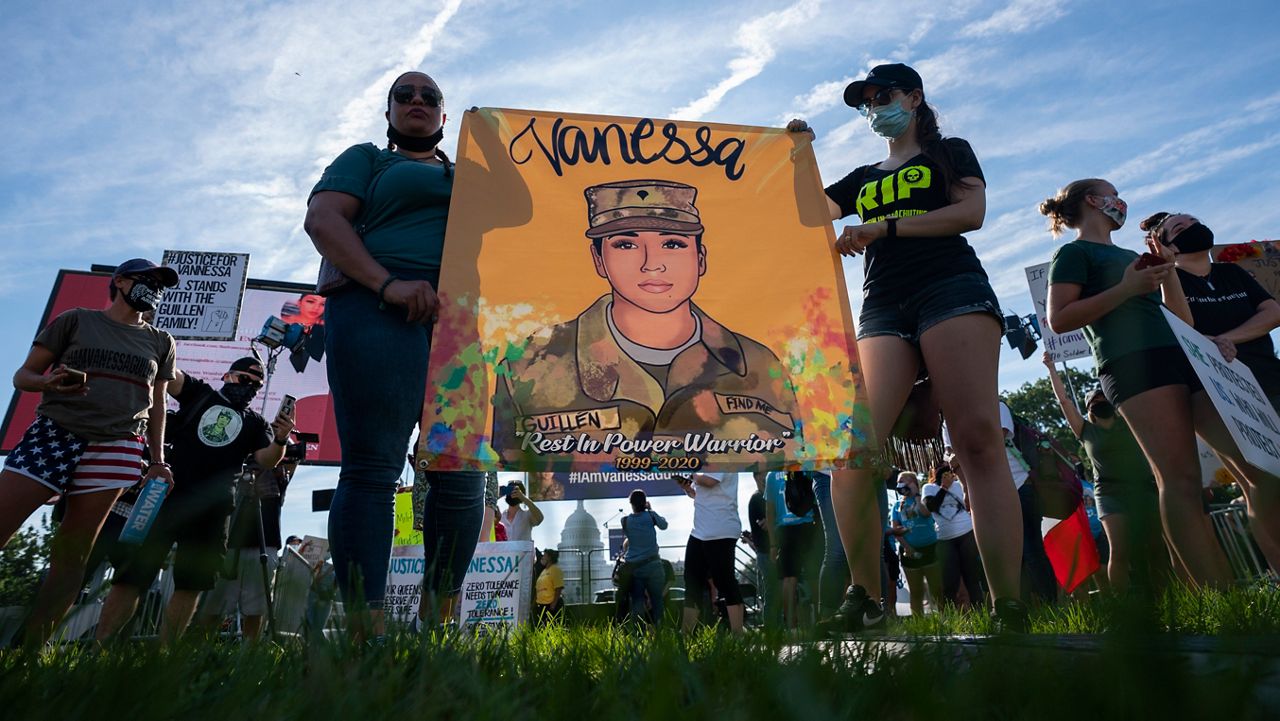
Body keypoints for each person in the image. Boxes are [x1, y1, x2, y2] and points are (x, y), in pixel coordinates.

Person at [789, 62, 1026, 631]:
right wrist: (799, 154)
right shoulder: (862, 174)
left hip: (952, 290)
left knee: (976, 442)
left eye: (883, 95)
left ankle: (1008, 603)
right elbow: (806, 215)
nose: (874, 107)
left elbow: (971, 213)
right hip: (882, 306)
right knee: (851, 451)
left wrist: (884, 228)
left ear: (914, 97)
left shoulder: (951, 153)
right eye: (865, 101)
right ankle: (865, 598)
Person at [305, 70, 484, 638]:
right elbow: (324, 219)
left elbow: (538, 208)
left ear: (444, 117)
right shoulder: (367, 160)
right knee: (374, 468)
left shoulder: (473, 178)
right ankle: (367, 629)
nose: (416, 102)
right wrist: (386, 284)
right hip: (376, 310)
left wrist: (499, 140)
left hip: (459, 326)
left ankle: (437, 622)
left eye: (429, 97)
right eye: (404, 95)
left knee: (461, 472)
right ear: (388, 112)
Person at [491, 179, 801, 468]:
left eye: (673, 244)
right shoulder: (531, 365)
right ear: (598, 260)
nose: (652, 264)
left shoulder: (759, 366)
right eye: (626, 245)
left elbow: (797, 458)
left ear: (701, 258)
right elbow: (504, 464)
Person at [1043, 179, 1233, 587]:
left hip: (1180, 357)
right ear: (1094, 201)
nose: (1120, 201)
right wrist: (1126, 288)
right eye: (1111, 193)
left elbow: (1184, 321)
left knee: (1220, 470)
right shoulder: (1074, 253)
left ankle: (1227, 588)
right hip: (1131, 365)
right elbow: (1060, 319)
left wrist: (1167, 273)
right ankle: (1216, 594)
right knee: (1177, 478)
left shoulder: (1132, 254)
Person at [0, 258, 178, 645]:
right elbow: (23, 376)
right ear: (120, 281)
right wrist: (51, 384)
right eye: (146, 280)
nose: (154, 289)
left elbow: (158, 402)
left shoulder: (161, 341)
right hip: (54, 434)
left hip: (117, 446)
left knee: (73, 554)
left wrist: (157, 460)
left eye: (160, 284)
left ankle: (30, 650)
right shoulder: (76, 319)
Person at [96, 357, 294, 643]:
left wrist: (281, 439)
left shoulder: (255, 423)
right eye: (244, 379)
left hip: (213, 510)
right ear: (227, 376)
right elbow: (170, 375)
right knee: (132, 576)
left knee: (192, 584)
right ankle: (100, 647)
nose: (250, 387)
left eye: (257, 385)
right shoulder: (201, 394)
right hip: (167, 497)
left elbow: (266, 459)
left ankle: (166, 657)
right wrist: (156, 346)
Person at [1141, 211, 1280, 572]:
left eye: (1193, 222)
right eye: (1179, 229)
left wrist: (1227, 339)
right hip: (1214, 391)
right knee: (1260, 477)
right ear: (1166, 245)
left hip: (1268, 377)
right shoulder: (1168, 283)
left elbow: (1272, 311)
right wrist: (1168, 271)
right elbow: (1181, 324)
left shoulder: (1232, 273)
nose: (1192, 229)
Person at [1044, 354, 1166, 592]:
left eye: (1103, 398)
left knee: (1155, 546)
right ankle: (1122, 608)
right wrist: (1051, 368)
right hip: (1109, 493)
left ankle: (1166, 597)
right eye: (1094, 402)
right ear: (1090, 410)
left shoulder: (1128, 421)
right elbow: (1064, 402)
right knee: (1119, 551)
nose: (1100, 402)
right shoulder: (1085, 430)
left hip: (1142, 487)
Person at [197, 459, 298, 640]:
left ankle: (248, 656)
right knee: (213, 606)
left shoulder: (276, 476)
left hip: (264, 544)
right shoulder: (234, 468)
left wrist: (281, 442)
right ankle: (200, 652)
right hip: (227, 543)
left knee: (256, 609)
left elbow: (292, 460)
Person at [678, 473, 744, 633]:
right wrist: (688, 489)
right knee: (692, 581)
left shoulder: (722, 453)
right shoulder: (704, 461)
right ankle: (685, 633)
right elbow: (702, 493)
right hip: (700, 531)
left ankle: (738, 634)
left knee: (724, 581)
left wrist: (689, 473)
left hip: (720, 529)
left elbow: (709, 481)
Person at [923, 464, 984, 609]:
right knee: (950, 580)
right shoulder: (929, 488)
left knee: (972, 577)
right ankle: (951, 617)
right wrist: (944, 487)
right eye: (939, 470)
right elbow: (930, 507)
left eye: (947, 471)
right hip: (945, 539)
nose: (944, 473)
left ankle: (980, 613)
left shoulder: (958, 485)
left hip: (966, 534)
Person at [765, 471, 820, 629]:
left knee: (789, 579)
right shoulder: (805, 467)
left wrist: (773, 544)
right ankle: (819, 619)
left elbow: (769, 512)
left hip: (785, 529)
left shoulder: (771, 475)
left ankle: (791, 625)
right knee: (814, 576)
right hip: (808, 525)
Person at [891, 472, 943, 616]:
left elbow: (926, 514)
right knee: (916, 591)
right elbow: (895, 530)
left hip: (930, 548)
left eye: (905, 481)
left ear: (914, 483)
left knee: (937, 589)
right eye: (899, 481)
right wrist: (908, 548)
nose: (901, 484)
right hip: (909, 552)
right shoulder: (897, 505)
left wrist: (917, 496)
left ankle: (946, 619)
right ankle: (918, 625)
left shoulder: (923, 499)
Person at [620, 490, 669, 625]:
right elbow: (664, 525)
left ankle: (637, 637)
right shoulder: (651, 516)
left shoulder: (625, 521)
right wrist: (651, 510)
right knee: (657, 601)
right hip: (654, 565)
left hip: (634, 568)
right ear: (645, 502)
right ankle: (660, 634)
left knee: (637, 603)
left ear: (631, 504)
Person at [744, 473, 777, 624]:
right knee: (771, 591)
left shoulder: (769, 497)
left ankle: (777, 626)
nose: (766, 479)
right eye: (763, 476)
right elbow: (765, 525)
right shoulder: (757, 499)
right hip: (765, 552)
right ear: (756, 478)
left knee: (773, 590)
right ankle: (772, 627)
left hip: (771, 550)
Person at [534, 549, 565, 624]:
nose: (542, 558)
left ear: (549, 558)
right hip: (542, 605)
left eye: (544, 556)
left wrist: (553, 604)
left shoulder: (555, 570)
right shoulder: (544, 571)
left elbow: (558, 588)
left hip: (551, 605)